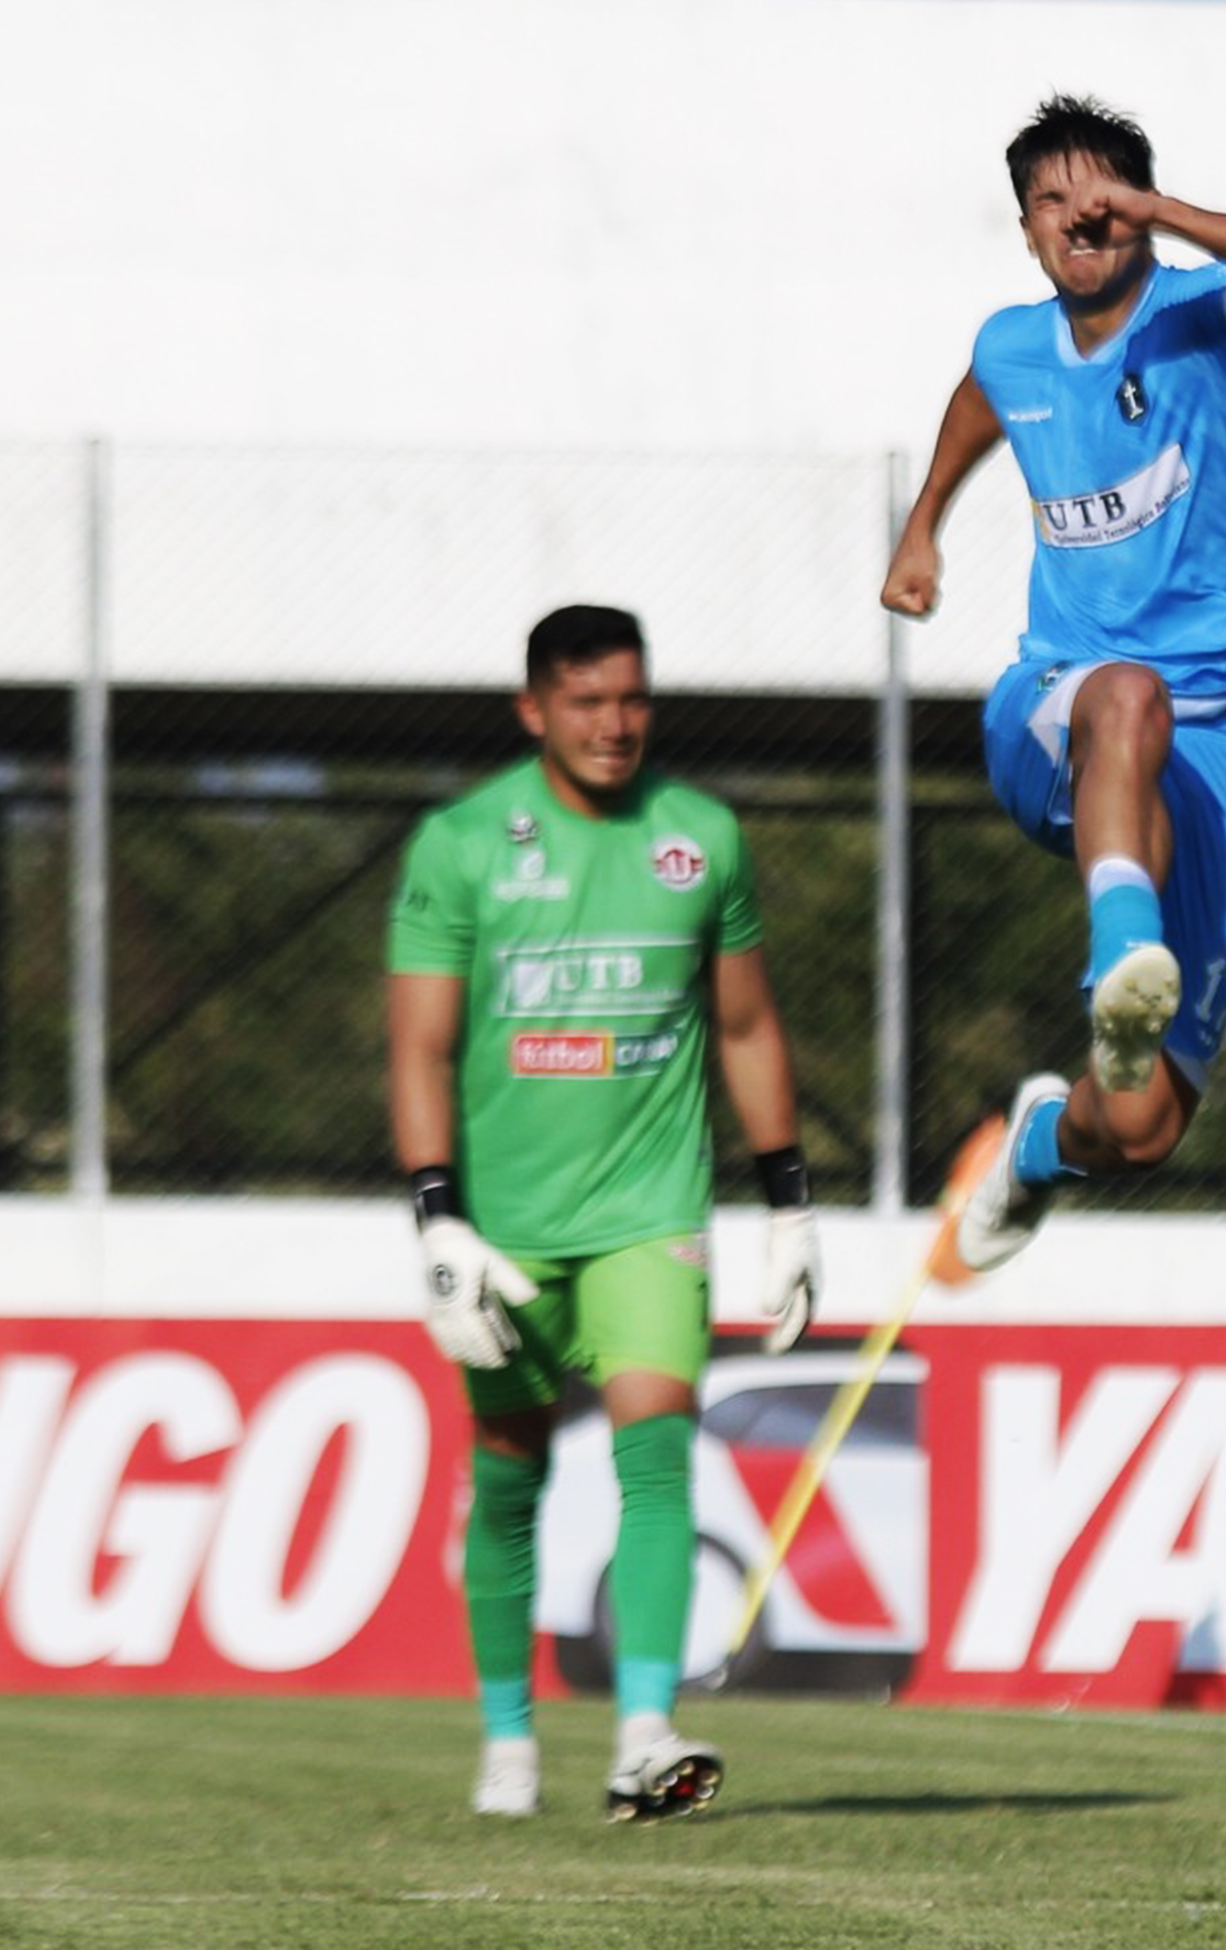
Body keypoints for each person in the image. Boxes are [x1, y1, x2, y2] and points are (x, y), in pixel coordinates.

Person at [879, 94, 1226, 1273]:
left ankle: (1038, 1145)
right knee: (1125, 693)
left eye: (1102, 196)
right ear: (1027, 230)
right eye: (1052, 202)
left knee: (1141, 1128)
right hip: (1059, 709)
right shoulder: (1012, 343)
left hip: (1218, 739)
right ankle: (1122, 957)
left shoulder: (1209, 315)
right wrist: (924, 522)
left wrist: (1173, 214)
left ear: (1138, 211)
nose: (1078, 217)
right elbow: (982, 393)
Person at [385, 603, 822, 1821]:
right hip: (505, 1234)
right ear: (535, 712)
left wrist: (790, 1205)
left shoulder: (701, 837)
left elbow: (744, 1026)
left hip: (650, 1212)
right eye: (586, 703)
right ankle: (508, 1742)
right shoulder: (463, 845)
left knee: (658, 1450)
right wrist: (437, 1225)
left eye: (631, 699)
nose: (614, 724)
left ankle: (644, 1732)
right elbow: (417, 1050)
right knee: (512, 1475)